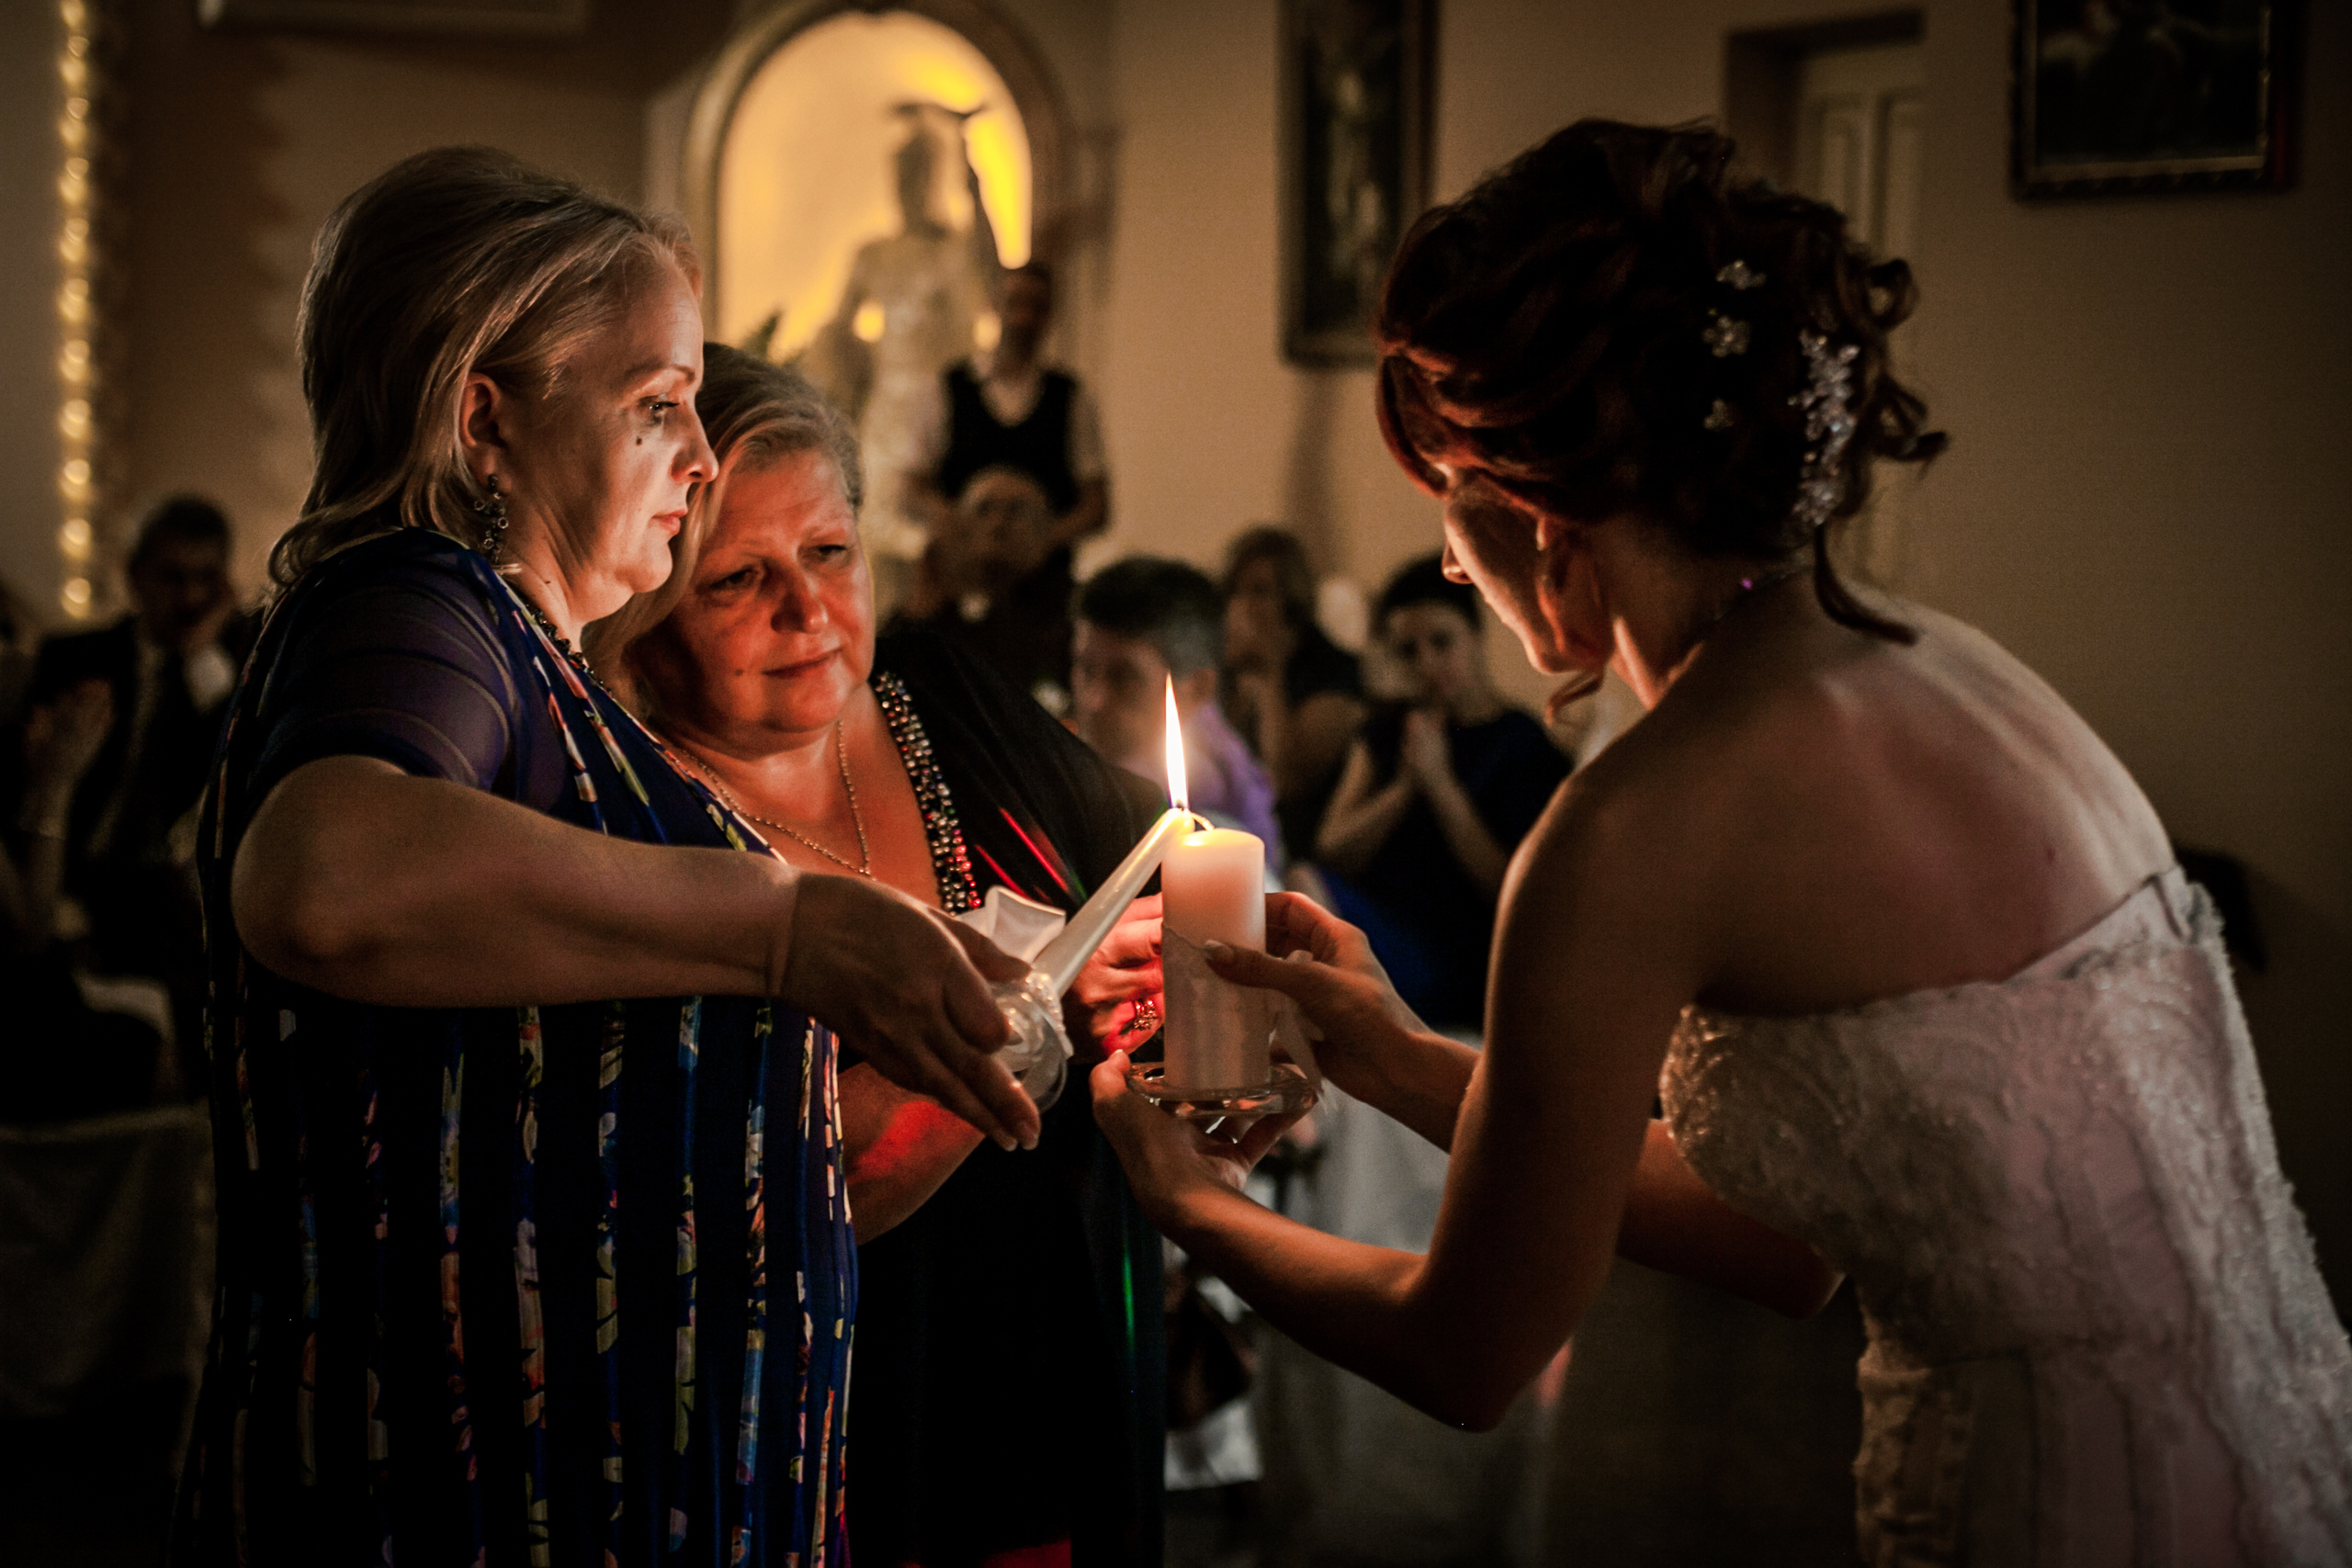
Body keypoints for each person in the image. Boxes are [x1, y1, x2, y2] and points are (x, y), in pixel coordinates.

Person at [1091, 120, 2352, 1565]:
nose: (1447, 559)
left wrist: (1184, 1201)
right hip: (2271, 1455)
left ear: (1541, 509)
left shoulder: (1636, 824)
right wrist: (1389, 1050)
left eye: (1448, 501)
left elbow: (1467, 1350)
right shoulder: (1954, 667)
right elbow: (1784, 1233)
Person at [176, 147, 1047, 1568]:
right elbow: (324, 873)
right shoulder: (418, 598)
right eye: (659, 408)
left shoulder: (521, 657)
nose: (702, 463)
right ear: (483, 422)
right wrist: (784, 923)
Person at [593, 344, 1168, 1565]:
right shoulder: (625, 829)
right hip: (803, 1440)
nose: (809, 610)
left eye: (831, 553)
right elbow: (699, 1210)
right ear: (638, 611)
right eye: (739, 578)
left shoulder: (943, 691)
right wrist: (1001, 1043)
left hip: (1036, 1389)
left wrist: (1189, 1004)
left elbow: (1159, 868)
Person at [19, 496, 243, 1069]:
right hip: (74, 879)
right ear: (135, 575)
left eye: (205, 580)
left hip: (169, 906)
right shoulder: (74, 659)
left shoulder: (234, 673)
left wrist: (198, 659)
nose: (190, 598)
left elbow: (224, 772)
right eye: (172, 578)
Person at [1315, 555, 1567, 1032]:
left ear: (1475, 637)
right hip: (1377, 928)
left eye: (1441, 642)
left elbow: (1512, 888)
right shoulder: (1392, 729)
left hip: (1460, 959)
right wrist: (1407, 785)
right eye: (1408, 651)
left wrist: (1441, 784)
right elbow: (1333, 848)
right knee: (1301, 888)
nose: (1427, 663)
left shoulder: (1520, 743)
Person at [907, 262, 1111, 700]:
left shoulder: (1071, 396)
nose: (1024, 316)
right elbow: (912, 484)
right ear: (993, 307)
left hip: (1043, 596)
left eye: (1036, 306)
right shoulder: (946, 387)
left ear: (1050, 314)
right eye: (1015, 303)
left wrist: (1037, 543)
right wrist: (962, 532)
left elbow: (1097, 504)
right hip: (959, 589)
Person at [1071, 557, 1281, 855]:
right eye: (1085, 669)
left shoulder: (1204, 773)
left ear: (1197, 687)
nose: (1095, 701)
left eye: (1125, 678)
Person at [1218, 526, 1366, 858]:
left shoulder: (1333, 673)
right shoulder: (1230, 667)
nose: (1242, 606)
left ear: (1292, 602)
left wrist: (1270, 675)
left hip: (1308, 852)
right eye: (1234, 592)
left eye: (1259, 591)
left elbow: (1287, 784)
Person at [884, 463, 1073, 705]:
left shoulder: (1065, 617)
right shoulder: (929, 615)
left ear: (1045, 530)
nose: (998, 523)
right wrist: (917, 613)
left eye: (1016, 511)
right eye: (984, 509)